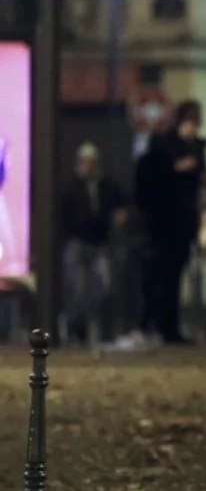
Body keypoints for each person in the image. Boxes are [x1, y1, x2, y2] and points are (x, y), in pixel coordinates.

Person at [135, 100, 206, 345]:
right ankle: (158, 324)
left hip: (182, 222)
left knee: (174, 275)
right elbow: (152, 183)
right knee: (162, 276)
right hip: (164, 223)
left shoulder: (196, 148)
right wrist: (176, 169)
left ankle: (167, 326)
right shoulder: (164, 148)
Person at [60, 142, 128, 345]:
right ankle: (75, 329)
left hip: (99, 243)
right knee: (77, 287)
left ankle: (91, 323)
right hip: (77, 242)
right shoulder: (71, 187)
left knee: (104, 285)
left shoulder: (107, 186)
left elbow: (121, 205)